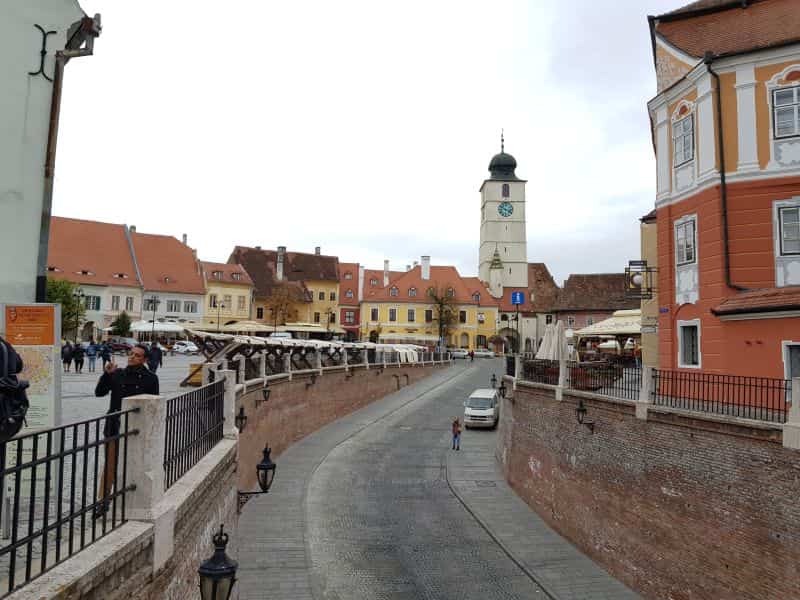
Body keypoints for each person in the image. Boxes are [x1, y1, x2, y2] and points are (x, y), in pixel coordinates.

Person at [94, 344, 159, 517]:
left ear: (145, 359)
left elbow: (153, 407)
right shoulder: (117, 373)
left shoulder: (151, 378)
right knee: (110, 464)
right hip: (115, 426)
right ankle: (104, 500)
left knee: (133, 464)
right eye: (131, 354)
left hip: (137, 429)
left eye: (137, 355)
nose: (132, 357)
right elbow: (99, 393)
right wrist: (106, 375)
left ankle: (130, 496)